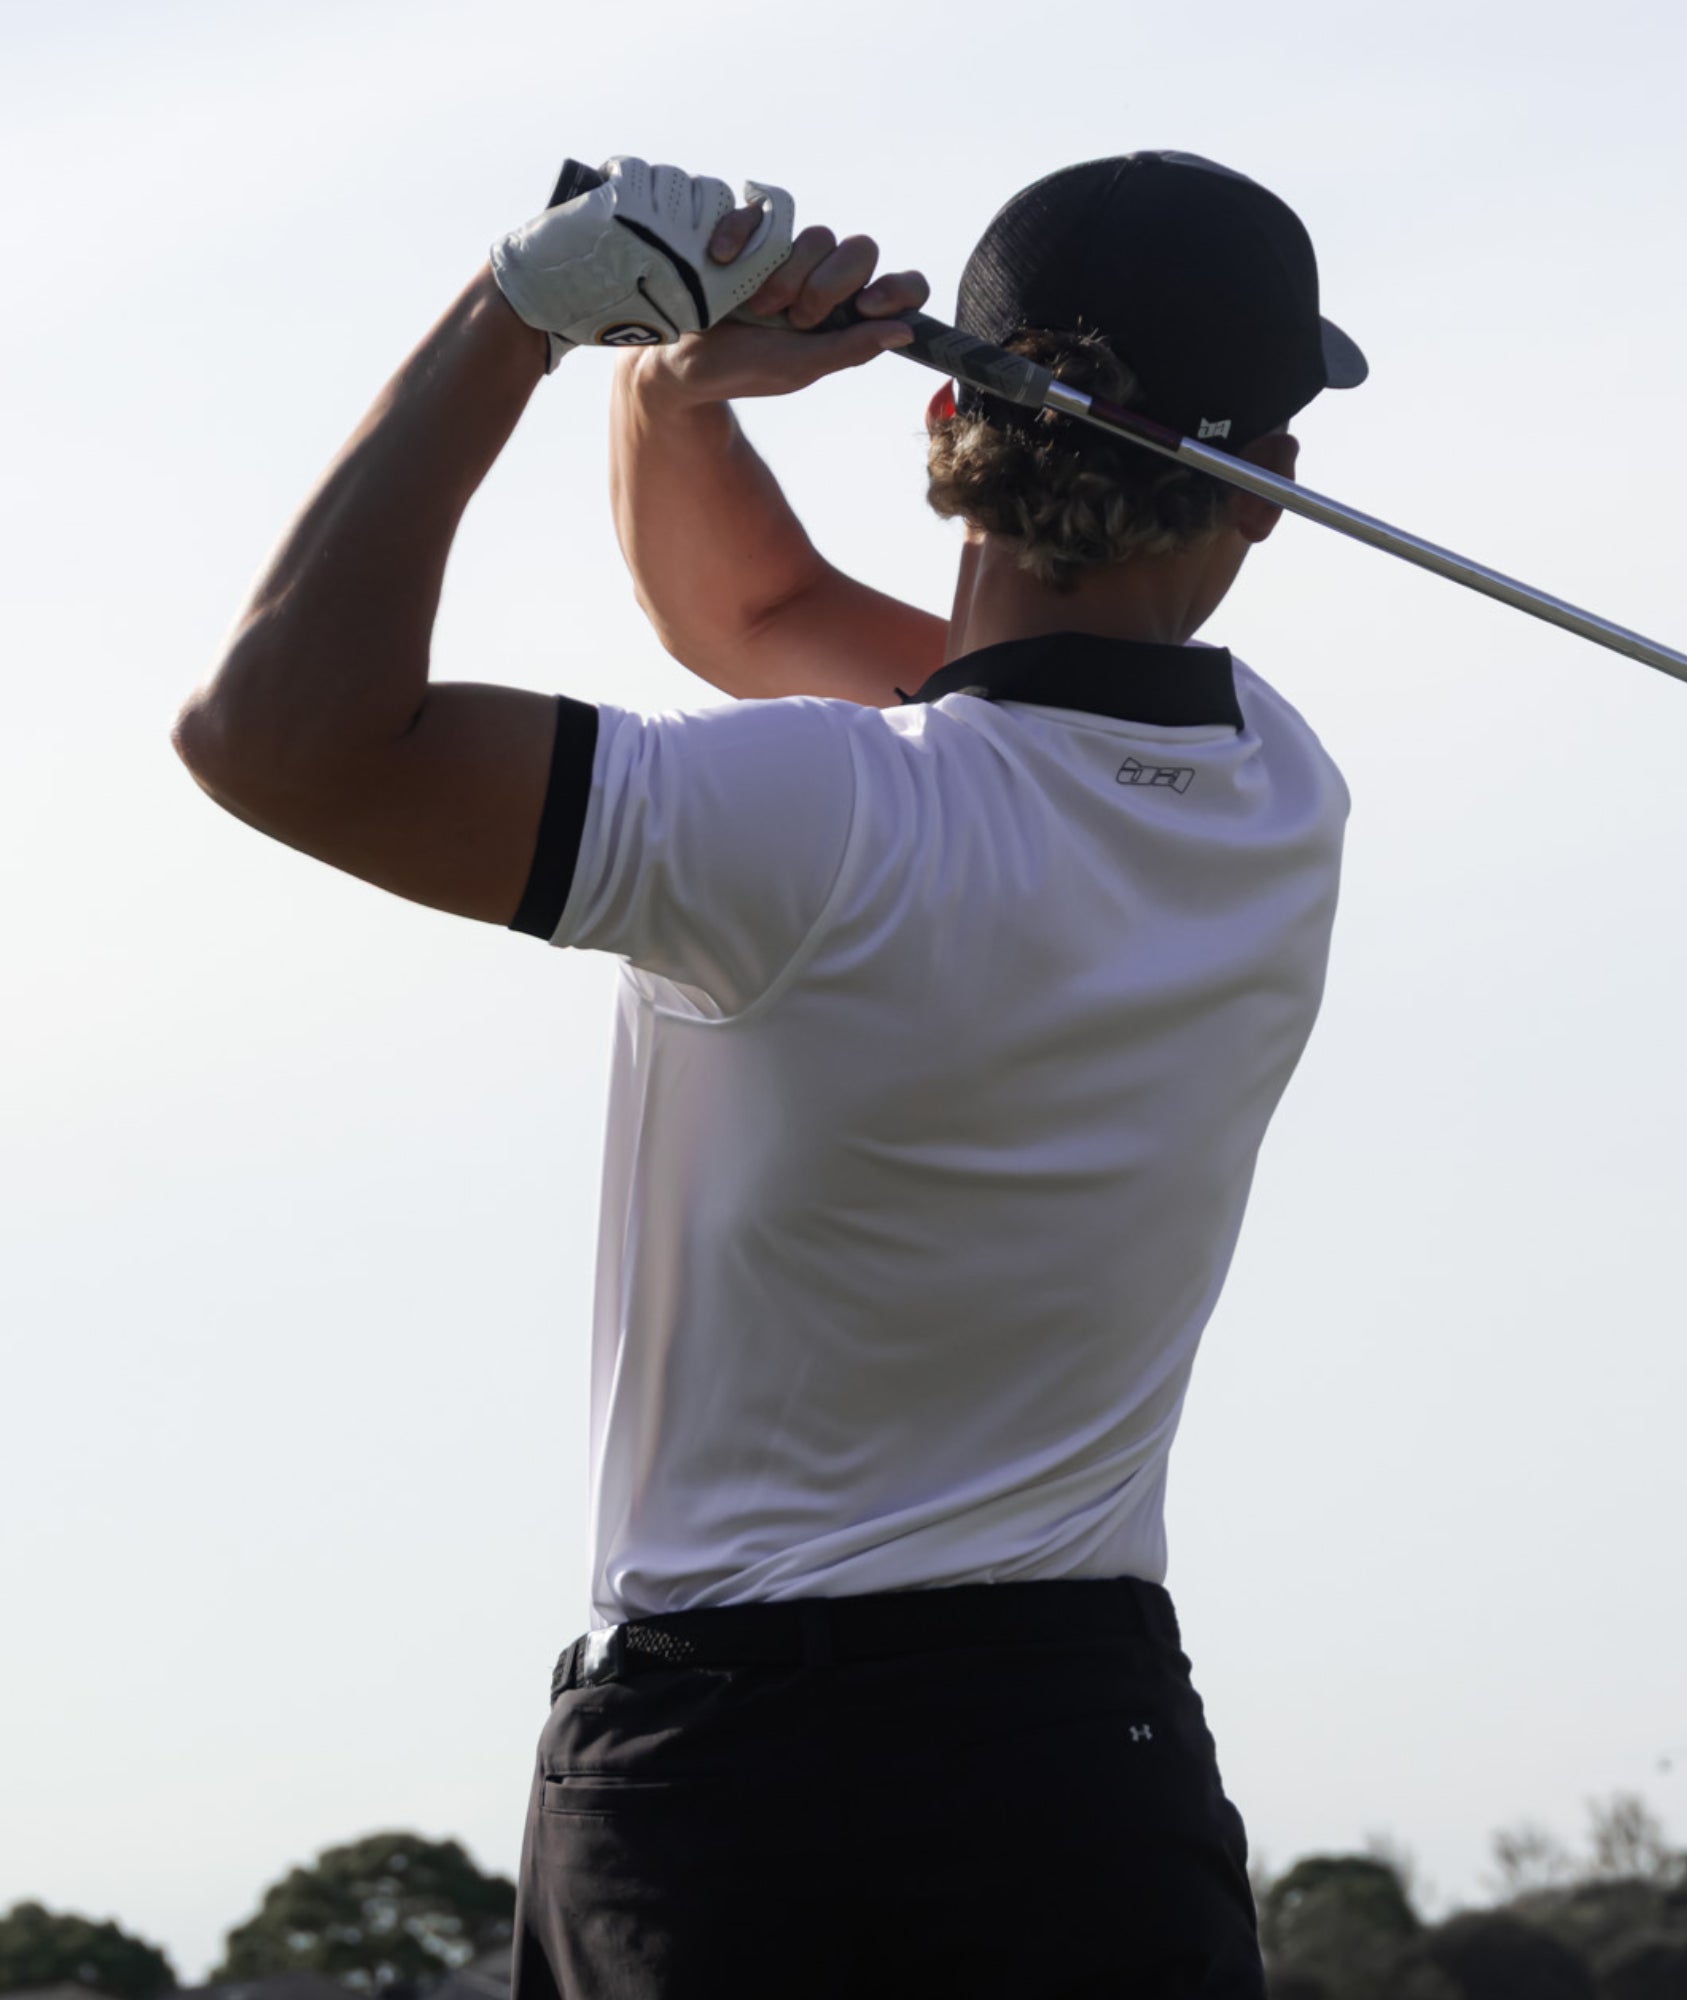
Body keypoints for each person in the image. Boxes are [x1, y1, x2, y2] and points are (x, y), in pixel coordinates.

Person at [174, 149, 1366, 1998]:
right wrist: (666, 393)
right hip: (1089, 1771)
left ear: (948, 416)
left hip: (739, 1792)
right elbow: (755, 617)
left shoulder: (806, 824)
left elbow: (275, 738)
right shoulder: (1277, 794)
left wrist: (527, 318)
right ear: (1267, 486)